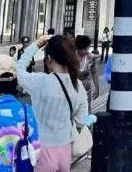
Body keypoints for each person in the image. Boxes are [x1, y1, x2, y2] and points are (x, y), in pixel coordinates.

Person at [17, 35, 89, 172]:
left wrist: (36, 45)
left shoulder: (40, 82)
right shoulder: (77, 86)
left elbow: (19, 70)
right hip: (65, 149)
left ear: (49, 58)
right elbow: (81, 121)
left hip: (41, 148)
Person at [74, 36, 100, 103]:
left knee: (86, 109)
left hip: (86, 89)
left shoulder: (90, 57)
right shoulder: (71, 56)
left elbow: (94, 72)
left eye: (86, 49)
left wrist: (97, 87)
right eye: (82, 49)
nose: (84, 51)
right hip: (72, 89)